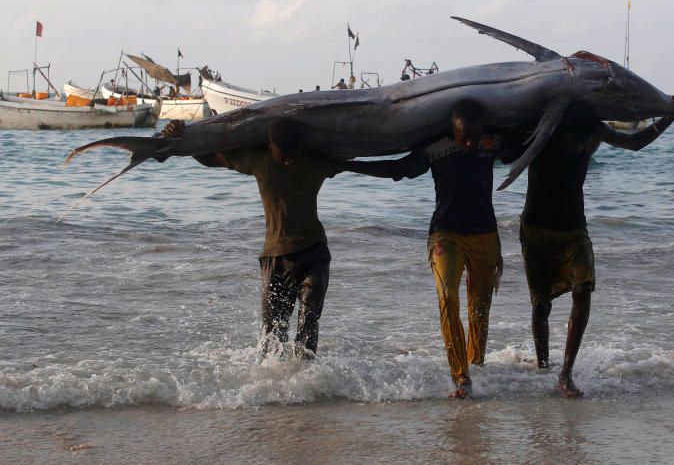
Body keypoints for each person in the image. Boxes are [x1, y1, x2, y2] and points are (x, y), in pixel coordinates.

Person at [335, 99, 520, 399]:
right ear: (452, 130)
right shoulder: (435, 147)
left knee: (479, 309)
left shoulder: (492, 141)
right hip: (445, 235)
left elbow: (523, 148)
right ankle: (462, 379)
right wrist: (349, 166)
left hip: (486, 236)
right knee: (447, 297)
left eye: (475, 135)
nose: (471, 143)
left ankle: (477, 365)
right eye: (464, 137)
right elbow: (398, 169)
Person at [520, 103, 674, 397]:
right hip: (536, 229)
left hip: (574, 229)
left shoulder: (592, 129)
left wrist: (670, 117)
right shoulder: (543, 129)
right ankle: (543, 367)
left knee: (583, 288)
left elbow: (635, 142)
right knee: (540, 305)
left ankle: (565, 372)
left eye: (586, 143)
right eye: (576, 142)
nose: (582, 148)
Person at [160, 119, 339, 360]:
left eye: (292, 152)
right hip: (274, 259)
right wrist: (181, 137)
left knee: (309, 323)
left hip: (314, 254)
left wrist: (402, 167)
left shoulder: (315, 160)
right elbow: (210, 159)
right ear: (268, 145)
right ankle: (272, 389)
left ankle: (307, 386)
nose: (288, 158)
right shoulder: (258, 159)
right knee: (273, 337)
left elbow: (360, 164)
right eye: (281, 153)